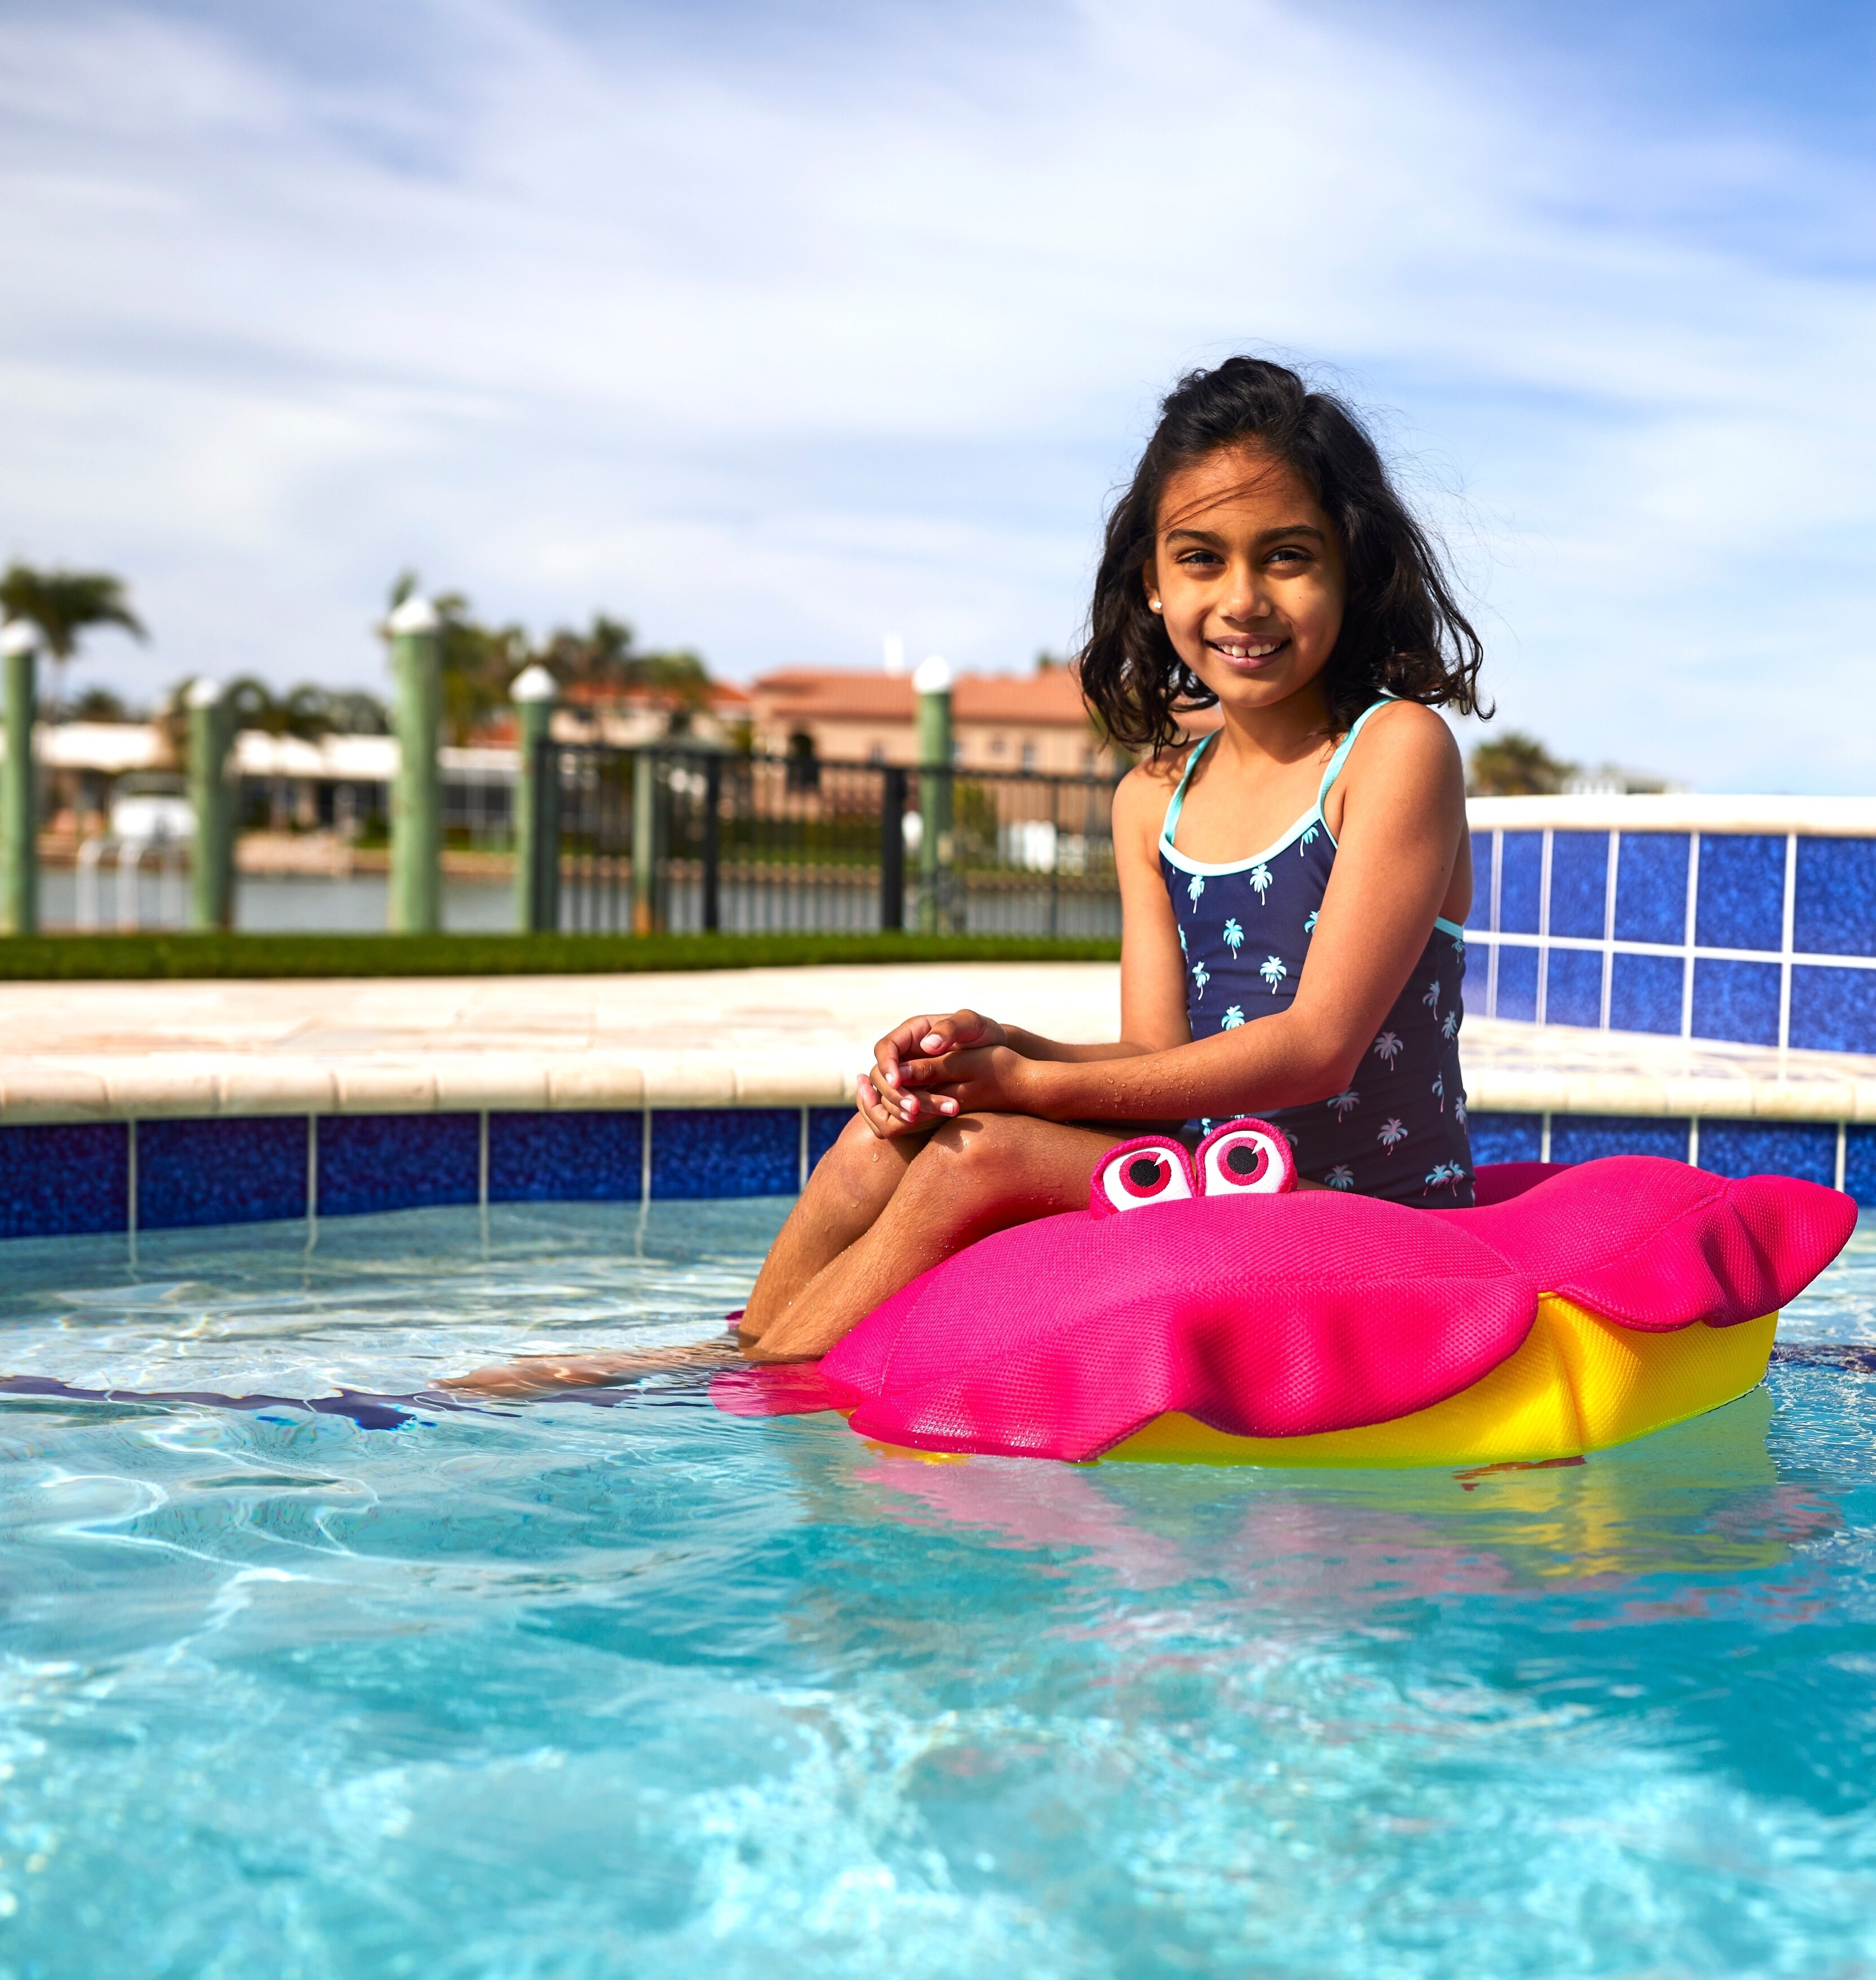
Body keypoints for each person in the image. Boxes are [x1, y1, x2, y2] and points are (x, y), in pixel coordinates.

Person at [444, 356, 1485, 1398]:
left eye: (1289, 556)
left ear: (1353, 565)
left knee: (976, 1155)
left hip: (1354, 1195)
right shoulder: (1154, 795)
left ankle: (710, 1391)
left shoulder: (1393, 752)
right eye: (1201, 559)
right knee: (891, 1133)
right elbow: (1157, 1055)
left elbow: (1317, 1051)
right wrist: (992, 1047)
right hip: (1206, 1171)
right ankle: (730, 1356)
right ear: (1152, 584)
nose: (1242, 600)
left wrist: (1032, 1087)